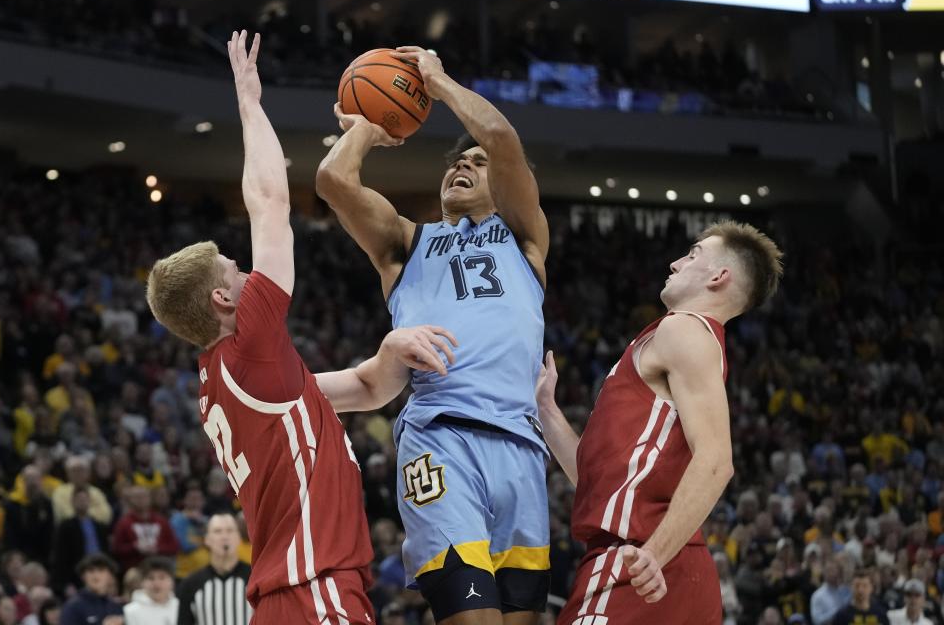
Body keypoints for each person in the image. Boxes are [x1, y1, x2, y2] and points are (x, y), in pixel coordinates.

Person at [146, 31, 455, 623]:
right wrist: (248, 101)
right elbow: (268, 200)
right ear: (221, 299)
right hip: (314, 588)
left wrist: (391, 348)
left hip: (297, 593)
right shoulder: (249, 353)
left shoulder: (240, 381)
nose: (245, 269)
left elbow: (367, 390)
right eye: (234, 270)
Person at [317, 45, 551, 625]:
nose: (460, 166)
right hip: (441, 439)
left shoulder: (523, 237)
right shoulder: (406, 243)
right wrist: (367, 130)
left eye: (474, 162)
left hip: (521, 449)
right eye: (454, 161)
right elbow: (332, 180)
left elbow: (500, 138)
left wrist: (438, 82)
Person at [536, 221, 784, 624]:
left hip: (640, 561)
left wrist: (653, 555)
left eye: (693, 254)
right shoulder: (667, 339)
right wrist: (546, 410)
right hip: (662, 566)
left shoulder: (684, 330)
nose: (675, 262)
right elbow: (597, 480)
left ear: (719, 276)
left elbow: (717, 461)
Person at [177, 514, 253, 625]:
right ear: (207, 539)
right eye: (218, 531)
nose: (225, 536)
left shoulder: (254, 579)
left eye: (230, 531)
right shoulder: (190, 584)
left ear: (239, 538)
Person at [51, 488, 110, 594]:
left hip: (99, 569)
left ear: (89, 501)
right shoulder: (65, 527)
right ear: (72, 502)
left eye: (84, 499)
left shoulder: (99, 526)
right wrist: (65, 583)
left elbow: (107, 551)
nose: (82, 502)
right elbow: (61, 556)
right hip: (76, 575)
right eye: (78, 499)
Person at [110, 485, 179, 572]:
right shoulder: (123, 523)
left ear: (150, 498)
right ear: (130, 500)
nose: (141, 500)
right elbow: (116, 549)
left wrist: (158, 549)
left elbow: (174, 546)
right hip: (135, 569)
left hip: (161, 568)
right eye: (137, 497)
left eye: (144, 496)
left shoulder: (162, 521)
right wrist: (135, 547)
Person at [59, 554, 124, 625]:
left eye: (101, 570)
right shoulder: (73, 607)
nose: (96, 575)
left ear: (110, 575)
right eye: (91, 571)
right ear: (83, 576)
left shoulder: (116, 606)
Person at [123, 557, 178, 625]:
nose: (156, 584)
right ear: (142, 582)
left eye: (162, 578)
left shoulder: (181, 607)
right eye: (151, 578)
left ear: (172, 581)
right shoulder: (130, 611)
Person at [810, 559, 850, 625]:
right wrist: (839, 612)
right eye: (828, 570)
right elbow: (817, 621)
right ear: (824, 572)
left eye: (834, 570)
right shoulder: (817, 595)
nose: (831, 573)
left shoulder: (846, 591)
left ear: (839, 572)